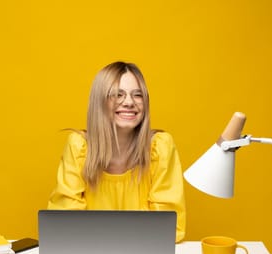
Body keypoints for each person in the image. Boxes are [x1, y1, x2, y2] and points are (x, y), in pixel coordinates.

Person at [47, 61, 186, 242]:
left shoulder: (160, 147)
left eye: (138, 95)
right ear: (100, 102)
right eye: (117, 94)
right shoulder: (79, 146)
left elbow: (169, 227)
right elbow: (64, 223)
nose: (129, 102)